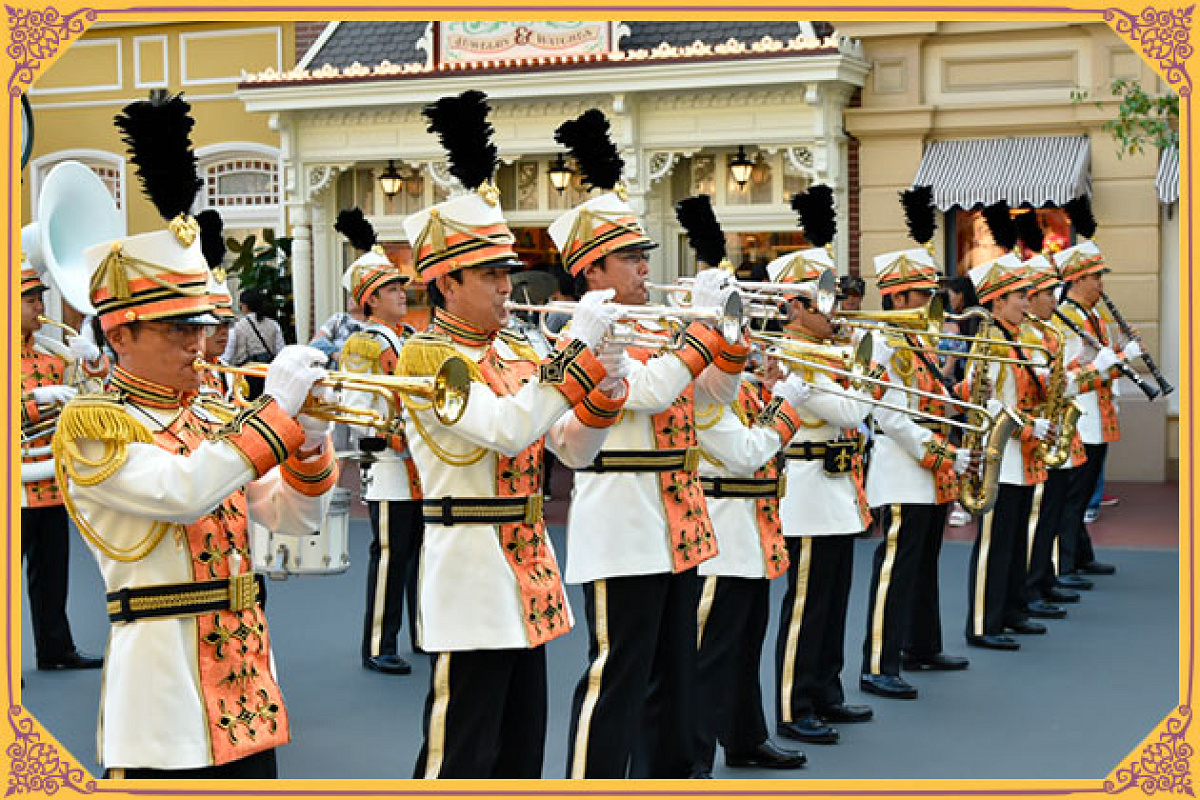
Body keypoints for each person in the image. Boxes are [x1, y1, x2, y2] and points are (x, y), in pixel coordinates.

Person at [54, 90, 338, 778]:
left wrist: (305, 443)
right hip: (163, 689)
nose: (201, 343)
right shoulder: (94, 426)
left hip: (246, 675)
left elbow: (290, 521)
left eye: (203, 327)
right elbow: (182, 492)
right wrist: (273, 418)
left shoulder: (209, 416)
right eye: (181, 329)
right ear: (121, 332)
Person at [400, 90, 627, 779]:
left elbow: (569, 451)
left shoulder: (520, 352)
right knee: (461, 752)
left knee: (521, 750)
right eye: (492, 274)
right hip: (468, 566)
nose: (508, 285)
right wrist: (570, 362)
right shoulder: (426, 357)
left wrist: (604, 394)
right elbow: (502, 430)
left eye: (506, 272)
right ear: (444, 281)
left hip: (527, 563)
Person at [551, 109, 748, 779]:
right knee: (618, 674)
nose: (644, 267)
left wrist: (732, 336)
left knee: (675, 667)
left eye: (643, 256)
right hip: (624, 516)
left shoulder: (660, 324)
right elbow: (650, 391)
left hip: (677, 515)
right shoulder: (586, 334)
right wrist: (701, 329)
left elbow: (712, 395)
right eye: (632, 257)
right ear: (594, 267)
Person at [763, 248, 876, 747]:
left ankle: (826, 689)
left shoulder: (829, 353)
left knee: (833, 602)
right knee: (806, 605)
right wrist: (863, 371)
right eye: (823, 301)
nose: (836, 311)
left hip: (839, 490)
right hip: (807, 492)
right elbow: (851, 411)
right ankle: (794, 703)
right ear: (795, 307)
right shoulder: (792, 353)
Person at [860, 245, 975, 700]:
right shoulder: (884, 343)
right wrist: (939, 452)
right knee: (896, 567)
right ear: (900, 297)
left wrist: (969, 392)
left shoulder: (920, 339)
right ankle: (878, 664)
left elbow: (934, 399)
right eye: (925, 294)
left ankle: (922, 646)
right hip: (904, 465)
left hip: (932, 463)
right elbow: (889, 414)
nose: (936, 302)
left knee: (925, 561)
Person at [333, 207, 422, 676]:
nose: (401, 294)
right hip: (389, 462)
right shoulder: (365, 344)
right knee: (391, 555)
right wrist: (393, 436)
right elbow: (360, 408)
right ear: (370, 300)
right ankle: (377, 643)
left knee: (420, 553)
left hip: (417, 463)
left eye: (400, 286)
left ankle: (423, 631)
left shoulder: (406, 340)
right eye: (390, 289)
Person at [961, 254, 1054, 651]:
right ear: (997, 302)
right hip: (1000, 452)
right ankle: (984, 622)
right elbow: (978, 395)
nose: (1027, 302)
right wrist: (1029, 425)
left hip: (1018, 455)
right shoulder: (989, 339)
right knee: (993, 544)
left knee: (1015, 540)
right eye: (1019, 296)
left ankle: (1013, 609)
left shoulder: (1014, 337)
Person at [19, 263, 105, 672]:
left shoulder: (50, 352)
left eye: (39, 298)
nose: (39, 306)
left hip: (50, 479)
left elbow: (92, 397)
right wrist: (36, 398)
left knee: (52, 574)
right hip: (13, 485)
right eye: (29, 299)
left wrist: (91, 362)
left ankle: (55, 648)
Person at [1053, 237, 1133, 580]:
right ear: (1078, 279)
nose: (1101, 283)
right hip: (1080, 417)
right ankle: (1065, 562)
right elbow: (1070, 373)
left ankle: (1082, 555)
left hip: (1099, 414)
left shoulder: (1095, 316)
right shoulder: (1066, 319)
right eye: (1096, 276)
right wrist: (1112, 360)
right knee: (1073, 495)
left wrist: (1123, 357)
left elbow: (1106, 365)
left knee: (1084, 492)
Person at [1022, 256, 1086, 616]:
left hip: (1057, 428)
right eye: (1047, 293)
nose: (1053, 299)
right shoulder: (1029, 337)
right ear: (1030, 298)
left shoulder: (1048, 333)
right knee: (1039, 517)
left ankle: (1044, 580)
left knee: (1050, 514)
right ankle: (1032, 586)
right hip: (1037, 436)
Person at [229, 287, 286, 398]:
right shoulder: (273, 324)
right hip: (269, 374)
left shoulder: (239, 326)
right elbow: (281, 351)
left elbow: (235, 355)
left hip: (249, 375)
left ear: (245, 305)